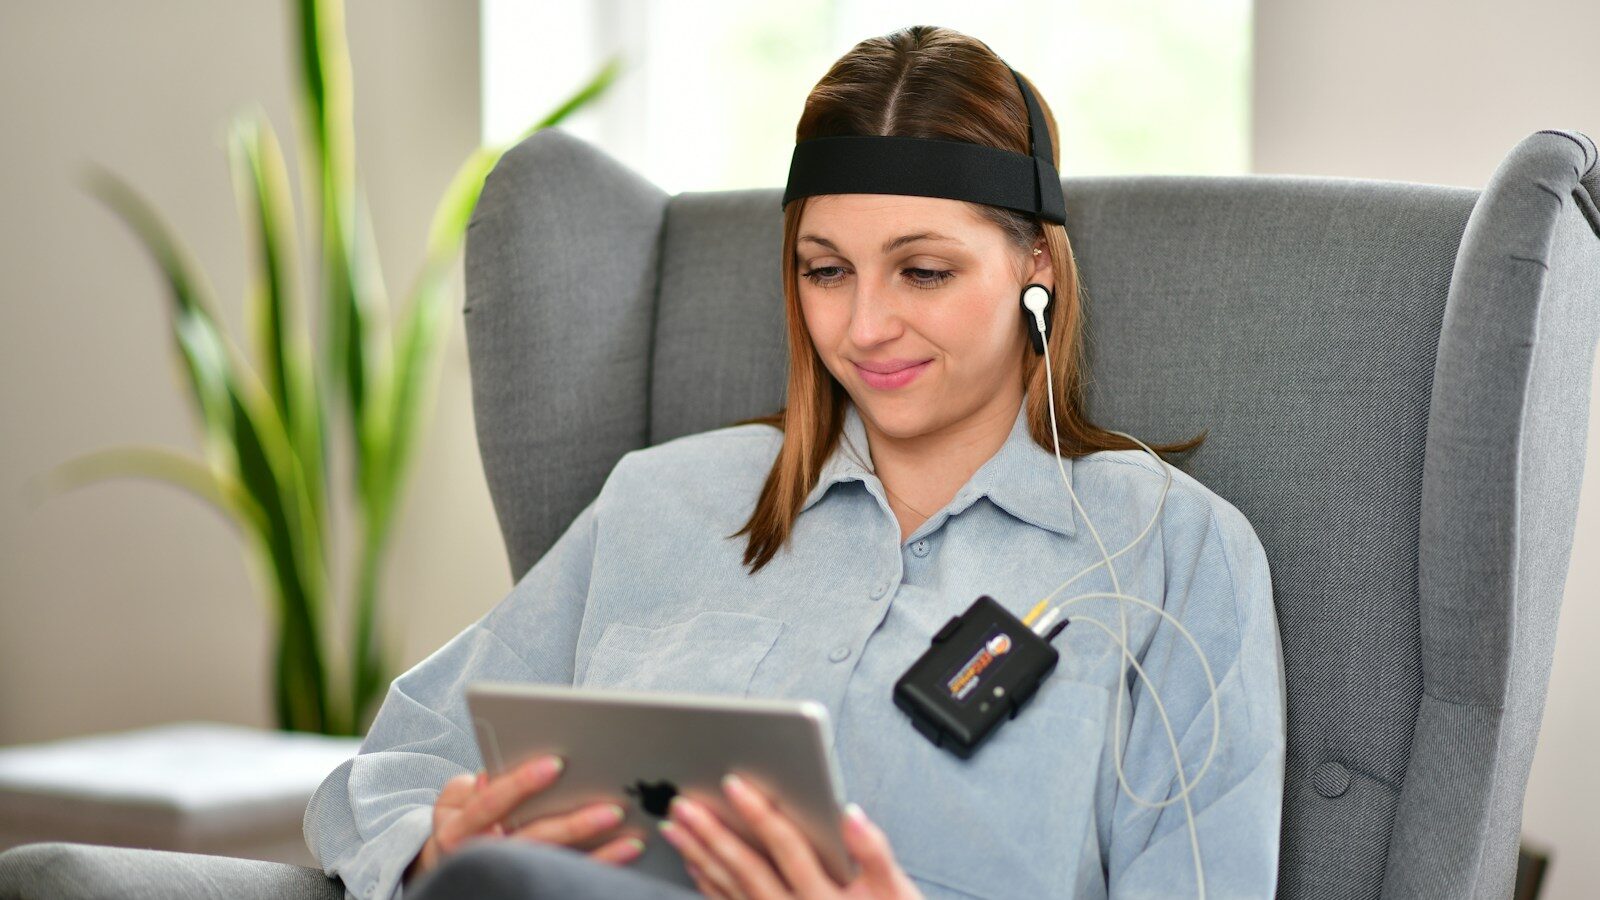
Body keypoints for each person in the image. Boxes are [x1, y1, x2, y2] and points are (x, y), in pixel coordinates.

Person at [303, 23, 1285, 900]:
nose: (863, 328)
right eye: (826, 271)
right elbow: (391, 769)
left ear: (1036, 267)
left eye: (923, 271)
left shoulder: (1171, 550)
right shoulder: (663, 500)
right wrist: (436, 848)